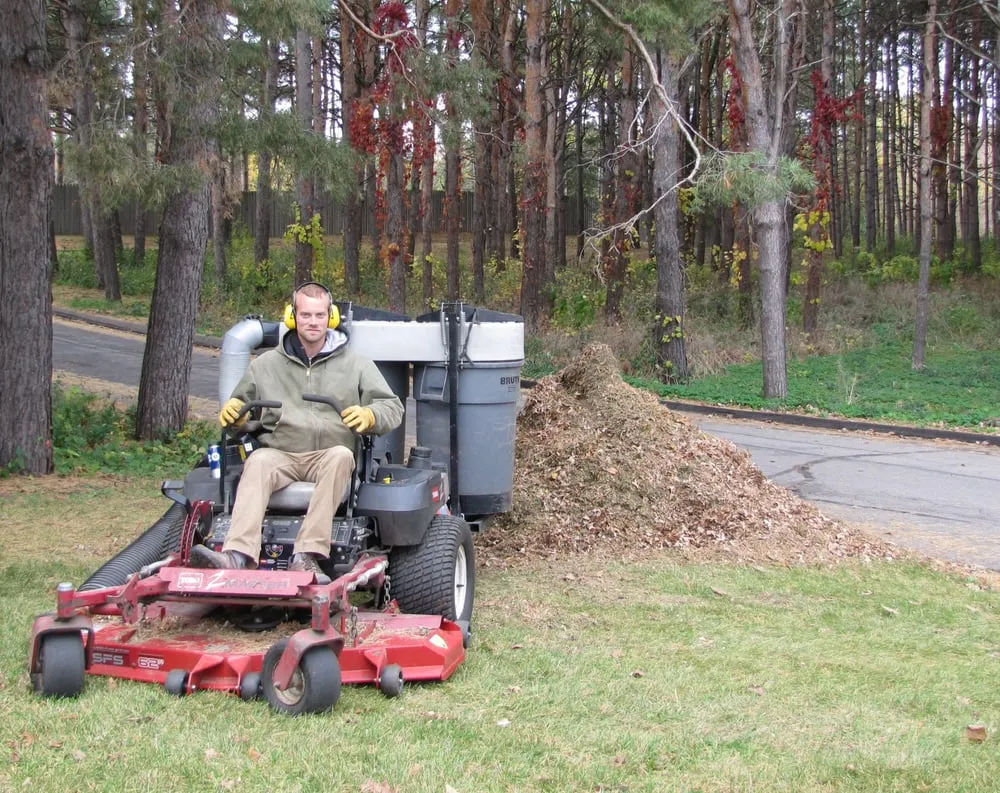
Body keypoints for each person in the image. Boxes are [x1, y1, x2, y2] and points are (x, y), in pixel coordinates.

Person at [190, 282, 404, 576]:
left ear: (331, 317)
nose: (312, 322)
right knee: (258, 461)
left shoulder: (357, 366)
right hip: (281, 454)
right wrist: (236, 416)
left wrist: (369, 415)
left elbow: (392, 408)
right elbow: (241, 408)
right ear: (292, 316)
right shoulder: (265, 365)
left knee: (342, 455)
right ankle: (237, 555)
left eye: (319, 315)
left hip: (329, 456)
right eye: (305, 315)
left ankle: (306, 555)